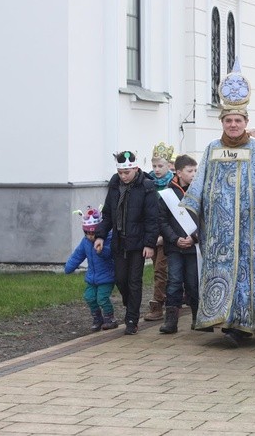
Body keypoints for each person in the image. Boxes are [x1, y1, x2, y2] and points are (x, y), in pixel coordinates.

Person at [180, 61, 255, 347]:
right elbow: (199, 187)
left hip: (250, 231)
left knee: (246, 278)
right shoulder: (212, 149)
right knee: (220, 273)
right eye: (228, 120)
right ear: (222, 123)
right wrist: (193, 218)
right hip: (219, 233)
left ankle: (241, 326)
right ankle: (222, 320)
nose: (233, 125)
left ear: (246, 122)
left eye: (238, 120)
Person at [95, 151, 159, 335]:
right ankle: (130, 302)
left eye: (127, 172)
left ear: (136, 169)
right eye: (121, 172)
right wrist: (100, 235)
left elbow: (152, 218)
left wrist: (150, 244)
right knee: (120, 279)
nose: (123, 176)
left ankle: (132, 319)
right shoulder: (115, 185)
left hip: (138, 243)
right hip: (119, 241)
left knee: (134, 281)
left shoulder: (146, 186)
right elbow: (107, 214)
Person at [157, 154, 199, 334]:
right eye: (190, 171)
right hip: (174, 247)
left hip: (193, 246)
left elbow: (205, 218)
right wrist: (174, 238)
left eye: (195, 170)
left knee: (193, 283)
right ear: (179, 172)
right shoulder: (167, 194)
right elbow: (162, 220)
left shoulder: (198, 191)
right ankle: (171, 321)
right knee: (174, 282)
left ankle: (198, 318)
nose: (194, 174)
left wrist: (195, 237)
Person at [65, 206, 118, 331]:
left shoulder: (108, 239)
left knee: (102, 298)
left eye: (93, 233)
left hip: (107, 277)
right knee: (89, 297)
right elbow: (78, 255)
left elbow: (110, 254)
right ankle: (97, 318)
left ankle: (110, 318)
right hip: (92, 277)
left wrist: (101, 250)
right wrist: (69, 267)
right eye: (87, 233)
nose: (90, 236)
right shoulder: (85, 242)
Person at [144, 142, 175, 322]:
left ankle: (159, 304)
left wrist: (164, 235)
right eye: (154, 166)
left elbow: (171, 213)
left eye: (160, 166)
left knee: (161, 269)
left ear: (168, 165)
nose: (156, 169)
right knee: (158, 268)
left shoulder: (172, 184)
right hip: (152, 233)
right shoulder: (148, 184)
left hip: (166, 235)